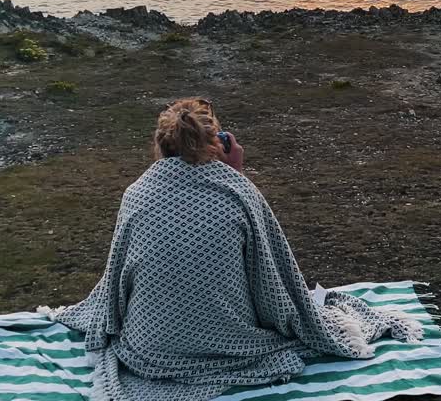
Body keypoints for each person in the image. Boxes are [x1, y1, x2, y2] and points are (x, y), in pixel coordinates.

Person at [51, 97, 420, 401]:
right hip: (231, 343)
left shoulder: (137, 195)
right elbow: (271, 281)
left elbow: (117, 279)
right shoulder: (238, 193)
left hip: (150, 350)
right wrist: (238, 173)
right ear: (220, 144)